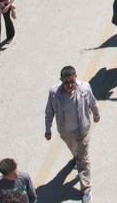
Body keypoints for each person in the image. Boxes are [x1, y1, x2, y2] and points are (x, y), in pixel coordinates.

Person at [44, 66, 101, 203]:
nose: (69, 85)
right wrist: (48, 129)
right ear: (61, 80)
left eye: (71, 82)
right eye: (66, 82)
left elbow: (93, 102)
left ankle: (86, 189)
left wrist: (96, 114)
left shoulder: (85, 88)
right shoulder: (54, 94)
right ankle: (76, 157)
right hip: (65, 132)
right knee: (76, 153)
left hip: (82, 131)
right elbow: (49, 112)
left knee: (83, 159)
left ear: (76, 77)